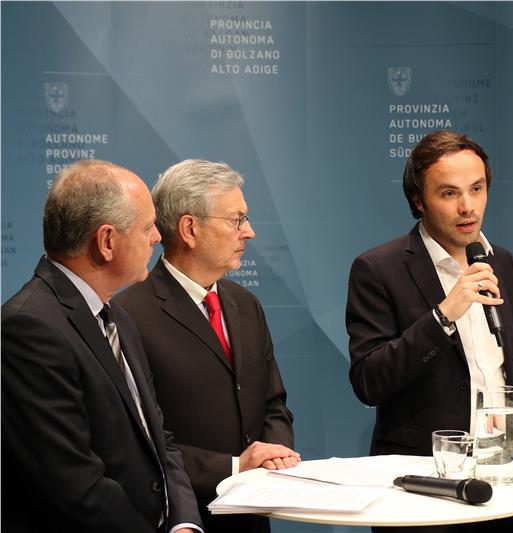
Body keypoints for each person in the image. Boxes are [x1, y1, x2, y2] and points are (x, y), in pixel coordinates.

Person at [346, 130, 513, 532]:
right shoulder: (379, 269)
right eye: (449, 193)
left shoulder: (501, 262)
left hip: (501, 484)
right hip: (421, 489)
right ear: (419, 200)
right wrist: (443, 316)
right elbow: (369, 380)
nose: (467, 206)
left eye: (477, 189)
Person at [1, 159, 202, 533]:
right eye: (146, 227)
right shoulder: (28, 328)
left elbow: (157, 439)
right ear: (107, 241)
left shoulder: (117, 317)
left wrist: (184, 523)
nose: (156, 237)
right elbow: (73, 485)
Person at [115, 159, 298, 533]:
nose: (249, 232)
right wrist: (234, 467)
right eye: (236, 220)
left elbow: (273, 403)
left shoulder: (245, 304)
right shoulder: (128, 315)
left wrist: (272, 456)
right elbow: (137, 443)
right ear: (190, 229)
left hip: (253, 514)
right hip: (182, 518)